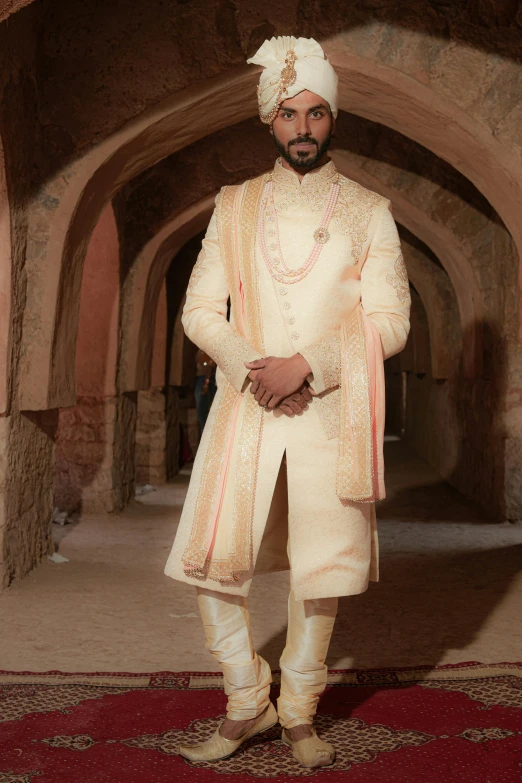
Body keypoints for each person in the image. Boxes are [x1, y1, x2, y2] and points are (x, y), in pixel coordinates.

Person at [164, 35, 411, 769]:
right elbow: (200, 310)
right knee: (212, 561)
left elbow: (392, 320)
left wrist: (309, 364)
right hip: (245, 408)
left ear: (332, 119)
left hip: (332, 412)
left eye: (315, 114)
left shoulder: (370, 211)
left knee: (320, 570)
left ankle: (298, 711)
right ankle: (247, 700)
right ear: (268, 120)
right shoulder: (234, 205)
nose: (302, 127)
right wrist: (253, 366)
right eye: (288, 114)